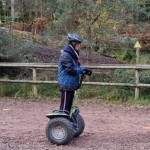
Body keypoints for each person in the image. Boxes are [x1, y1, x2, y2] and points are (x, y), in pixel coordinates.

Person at [58, 33, 92, 114]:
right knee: (64, 109)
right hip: (66, 84)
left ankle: (67, 124)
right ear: (73, 43)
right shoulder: (66, 55)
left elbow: (76, 68)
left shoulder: (73, 55)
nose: (79, 46)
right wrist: (83, 70)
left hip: (71, 84)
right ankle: (60, 124)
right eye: (78, 44)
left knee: (69, 108)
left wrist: (84, 70)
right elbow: (71, 70)